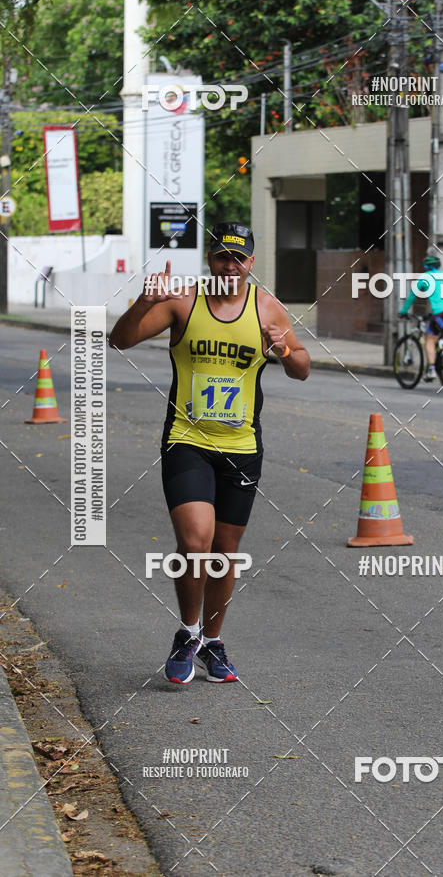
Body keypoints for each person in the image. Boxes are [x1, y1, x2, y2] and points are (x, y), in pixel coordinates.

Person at [109, 222, 310, 684]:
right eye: (222, 256)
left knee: (224, 552)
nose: (230, 265)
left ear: (251, 263)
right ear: (210, 259)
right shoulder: (183, 301)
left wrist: (284, 350)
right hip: (188, 440)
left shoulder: (267, 308)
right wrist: (144, 301)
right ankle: (188, 631)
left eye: (239, 258)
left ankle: (212, 642)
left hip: (242, 447)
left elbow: (302, 368)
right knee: (196, 542)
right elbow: (119, 340)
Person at [399, 254, 443, 382]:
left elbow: (412, 296)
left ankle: (431, 370)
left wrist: (403, 312)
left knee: (429, 340)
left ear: (426, 266)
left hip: (442, 312)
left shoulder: (425, 277)